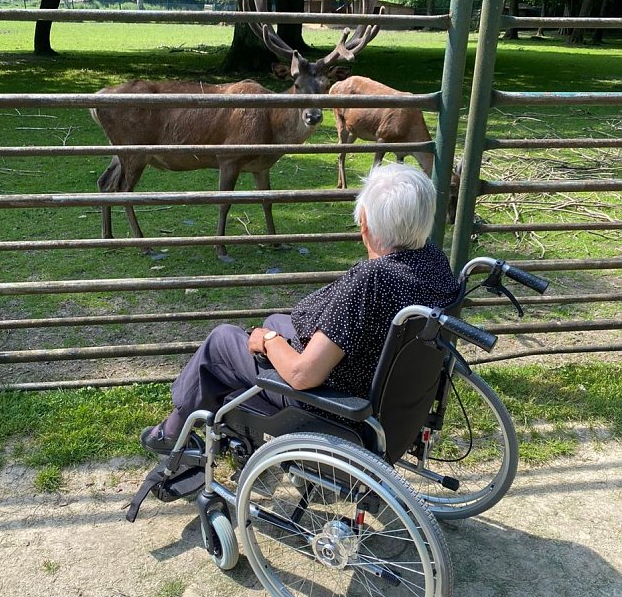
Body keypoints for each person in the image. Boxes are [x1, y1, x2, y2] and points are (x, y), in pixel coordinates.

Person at [141, 163, 460, 455]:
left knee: (223, 342)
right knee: (275, 320)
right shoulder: (432, 260)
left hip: (336, 406)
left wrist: (267, 340)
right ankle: (239, 426)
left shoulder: (372, 281)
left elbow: (302, 374)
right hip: (387, 397)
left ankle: (171, 433)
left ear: (364, 221)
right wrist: (273, 332)